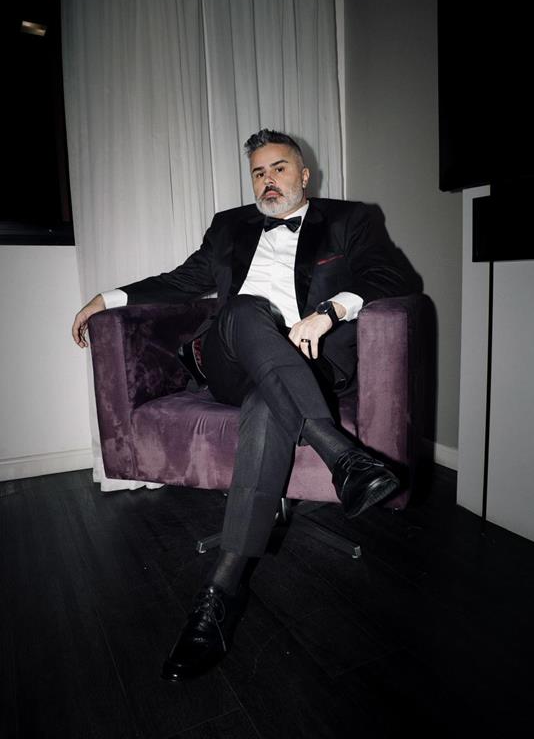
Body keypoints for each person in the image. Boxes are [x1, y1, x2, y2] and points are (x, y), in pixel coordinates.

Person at [72, 129, 422, 681]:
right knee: (242, 308)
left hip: (309, 364)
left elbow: (394, 277)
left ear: (304, 174)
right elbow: (182, 280)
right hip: (231, 356)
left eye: (279, 168)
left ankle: (220, 591)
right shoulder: (228, 226)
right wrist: (107, 297)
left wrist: (329, 312)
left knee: (268, 402)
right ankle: (341, 454)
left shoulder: (351, 220)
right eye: (259, 172)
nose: (268, 181)